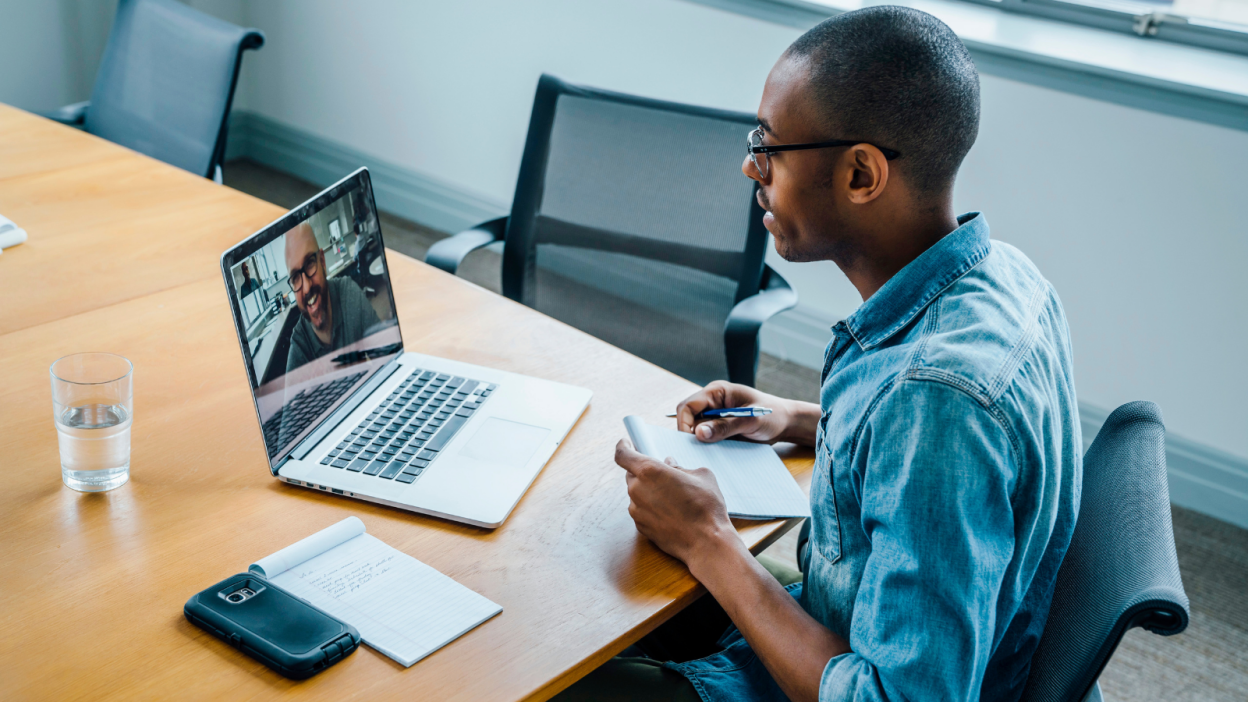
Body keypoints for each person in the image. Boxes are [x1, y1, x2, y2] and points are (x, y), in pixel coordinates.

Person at [559, 6, 1081, 702]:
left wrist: (711, 541)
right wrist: (800, 419)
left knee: (550, 667)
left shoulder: (938, 401)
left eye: (770, 146)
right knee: (605, 574)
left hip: (848, 670)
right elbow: (940, 453)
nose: (751, 165)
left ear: (862, 175)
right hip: (847, 611)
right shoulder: (1003, 274)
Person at [284, 221, 381, 373]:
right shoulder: (300, 346)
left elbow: (386, 353)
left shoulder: (348, 294)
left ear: (322, 261)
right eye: (296, 277)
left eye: (310, 263)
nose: (307, 286)